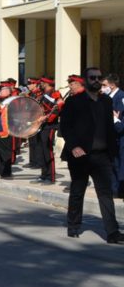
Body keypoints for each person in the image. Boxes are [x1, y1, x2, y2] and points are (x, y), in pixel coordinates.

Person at [61, 67, 123, 244]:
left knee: (105, 194)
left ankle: (112, 232)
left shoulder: (106, 101)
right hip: (80, 155)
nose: (96, 80)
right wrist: (74, 147)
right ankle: (73, 226)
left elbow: (109, 128)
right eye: (92, 77)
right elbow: (65, 127)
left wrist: (112, 151)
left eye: (98, 77)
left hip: (102, 156)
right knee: (77, 191)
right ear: (85, 80)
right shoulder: (74, 102)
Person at [33, 77, 63, 184]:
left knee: (47, 151)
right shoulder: (41, 94)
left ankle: (51, 177)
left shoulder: (55, 94)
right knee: (41, 151)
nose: (40, 84)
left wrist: (46, 118)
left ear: (46, 83)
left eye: (42, 82)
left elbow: (57, 109)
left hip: (50, 126)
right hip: (40, 125)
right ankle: (43, 174)